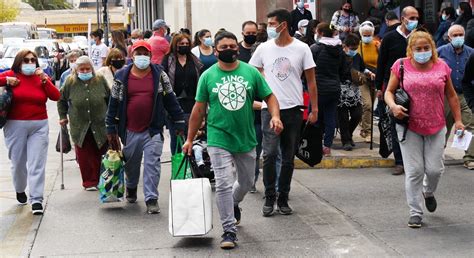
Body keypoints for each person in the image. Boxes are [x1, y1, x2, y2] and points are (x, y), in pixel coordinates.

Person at [182, 31, 283, 250]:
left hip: (245, 137)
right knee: (223, 183)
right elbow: (198, 110)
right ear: (216, 51)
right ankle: (228, 230)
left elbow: (270, 96)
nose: (229, 49)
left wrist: (275, 116)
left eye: (232, 46)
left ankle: (235, 203)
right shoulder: (208, 76)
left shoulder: (250, 72)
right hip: (218, 136)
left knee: (246, 182)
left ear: (237, 48)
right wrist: (190, 139)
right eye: (224, 47)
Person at [385, 30, 463, 228]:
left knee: (435, 170)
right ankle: (415, 212)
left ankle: (428, 192)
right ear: (410, 49)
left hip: (436, 126)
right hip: (409, 126)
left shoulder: (442, 67)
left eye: (426, 48)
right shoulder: (401, 65)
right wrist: (393, 106)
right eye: (418, 48)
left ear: (432, 48)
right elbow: (389, 92)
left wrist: (459, 121)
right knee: (415, 171)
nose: (422, 51)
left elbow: (452, 96)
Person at [249, 8, 318, 217]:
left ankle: (283, 197)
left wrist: (314, 109)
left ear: (283, 25)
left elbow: (312, 81)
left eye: (272, 24)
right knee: (269, 154)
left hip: (294, 109)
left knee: (288, 157)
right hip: (269, 110)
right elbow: (252, 74)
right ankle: (270, 196)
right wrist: (257, 100)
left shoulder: (302, 48)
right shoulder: (263, 48)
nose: (269, 28)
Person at [105, 40, 185, 214]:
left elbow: (170, 98)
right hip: (130, 130)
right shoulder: (121, 76)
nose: (142, 57)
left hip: (153, 129)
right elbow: (114, 102)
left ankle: (151, 198)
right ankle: (131, 187)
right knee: (131, 165)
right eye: (138, 53)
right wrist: (110, 126)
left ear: (150, 55)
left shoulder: (160, 74)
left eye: (145, 54)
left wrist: (179, 120)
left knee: (152, 165)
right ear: (132, 56)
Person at [0, 49, 60, 215]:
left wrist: (45, 80)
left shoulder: (41, 77)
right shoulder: (11, 74)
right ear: (19, 62)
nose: (30, 63)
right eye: (26, 60)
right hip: (15, 125)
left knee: (37, 163)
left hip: (39, 124)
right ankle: (20, 189)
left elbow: (56, 96)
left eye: (33, 60)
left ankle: (36, 199)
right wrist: (6, 80)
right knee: (18, 163)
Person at [376, 6, 419, 176]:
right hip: (393, 86)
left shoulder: (419, 37)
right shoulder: (389, 38)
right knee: (396, 122)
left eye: (417, 17)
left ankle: (414, 160)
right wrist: (379, 86)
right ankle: (400, 161)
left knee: (414, 122)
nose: (415, 20)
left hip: (416, 85)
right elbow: (381, 63)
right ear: (403, 18)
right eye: (412, 17)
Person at [58, 56, 110, 190]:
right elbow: (61, 99)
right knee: (84, 154)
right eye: (82, 69)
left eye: (88, 69)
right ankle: (89, 182)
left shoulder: (100, 80)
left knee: (101, 150)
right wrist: (62, 116)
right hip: (79, 124)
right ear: (77, 70)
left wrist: (112, 117)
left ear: (92, 69)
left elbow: (109, 98)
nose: (85, 71)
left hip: (100, 123)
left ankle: (101, 179)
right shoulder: (70, 82)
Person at [437, 25, 474, 169]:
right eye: (455, 35)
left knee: (470, 125)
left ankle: (470, 157)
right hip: (446, 95)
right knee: (443, 126)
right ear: (449, 37)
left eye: (461, 34)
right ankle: (438, 155)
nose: (458, 37)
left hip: (465, 94)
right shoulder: (440, 52)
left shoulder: (471, 53)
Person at [161, 33, 203, 155]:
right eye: (181, 44)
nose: (184, 46)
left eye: (186, 44)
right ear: (175, 45)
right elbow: (163, 79)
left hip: (191, 102)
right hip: (174, 103)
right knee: (176, 136)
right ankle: (177, 163)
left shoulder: (194, 60)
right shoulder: (168, 60)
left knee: (192, 135)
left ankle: (192, 164)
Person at [310, 22, 344, 156]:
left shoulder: (315, 48)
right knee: (330, 118)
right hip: (334, 88)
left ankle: (315, 144)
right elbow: (342, 69)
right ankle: (327, 146)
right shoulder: (339, 49)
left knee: (315, 116)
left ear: (321, 33)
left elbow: (308, 68)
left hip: (318, 89)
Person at [339, 33, 364, 151]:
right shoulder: (339, 56)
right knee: (342, 117)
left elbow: (363, 68)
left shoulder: (358, 56)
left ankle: (348, 135)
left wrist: (368, 73)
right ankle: (346, 140)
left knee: (357, 114)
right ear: (345, 46)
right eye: (352, 48)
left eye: (355, 48)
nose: (354, 50)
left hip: (354, 90)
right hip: (341, 90)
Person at [357, 21, 378, 143]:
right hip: (362, 79)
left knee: (369, 107)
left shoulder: (377, 45)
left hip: (375, 79)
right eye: (364, 35)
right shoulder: (358, 46)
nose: (367, 37)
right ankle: (367, 131)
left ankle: (364, 125)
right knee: (368, 105)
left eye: (369, 34)